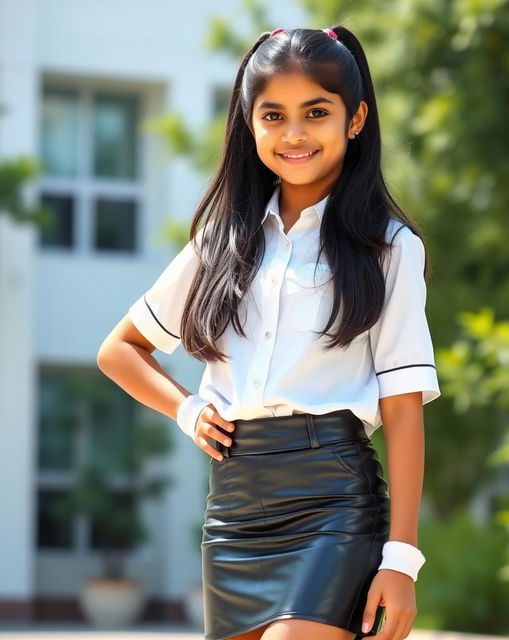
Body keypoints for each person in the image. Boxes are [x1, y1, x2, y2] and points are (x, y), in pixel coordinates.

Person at [97, 24, 440, 640]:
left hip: (334, 502)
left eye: (316, 112)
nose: (294, 133)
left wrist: (401, 560)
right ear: (249, 125)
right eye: (273, 115)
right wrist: (187, 409)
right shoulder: (222, 242)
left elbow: (404, 407)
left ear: (355, 119)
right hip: (232, 510)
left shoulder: (389, 248)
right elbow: (119, 350)